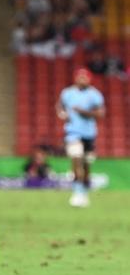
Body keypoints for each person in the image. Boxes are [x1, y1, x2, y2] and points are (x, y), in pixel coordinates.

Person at [56, 68, 105, 207]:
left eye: (85, 77)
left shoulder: (95, 95)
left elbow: (101, 113)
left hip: (89, 134)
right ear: (76, 78)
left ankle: (84, 192)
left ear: (90, 79)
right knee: (76, 160)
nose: (82, 79)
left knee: (86, 166)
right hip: (73, 133)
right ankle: (77, 193)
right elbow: (59, 106)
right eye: (80, 77)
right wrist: (62, 113)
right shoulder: (67, 93)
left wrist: (84, 112)